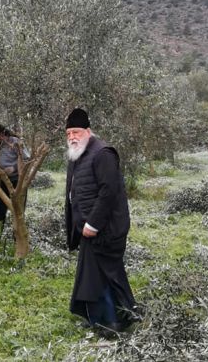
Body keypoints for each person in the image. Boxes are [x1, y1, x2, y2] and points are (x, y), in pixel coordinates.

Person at [64, 108, 141, 334]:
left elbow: (109, 193)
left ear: (88, 131)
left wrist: (93, 224)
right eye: (68, 133)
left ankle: (113, 323)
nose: (72, 137)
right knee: (92, 277)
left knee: (106, 277)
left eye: (76, 132)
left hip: (105, 230)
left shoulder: (103, 153)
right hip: (88, 229)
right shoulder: (78, 154)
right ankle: (100, 319)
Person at [0, 123, 29, 230]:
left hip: (18, 182)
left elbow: (27, 160)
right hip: (4, 182)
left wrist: (14, 168)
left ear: (2, 133)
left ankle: (18, 242)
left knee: (18, 214)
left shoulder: (15, 142)